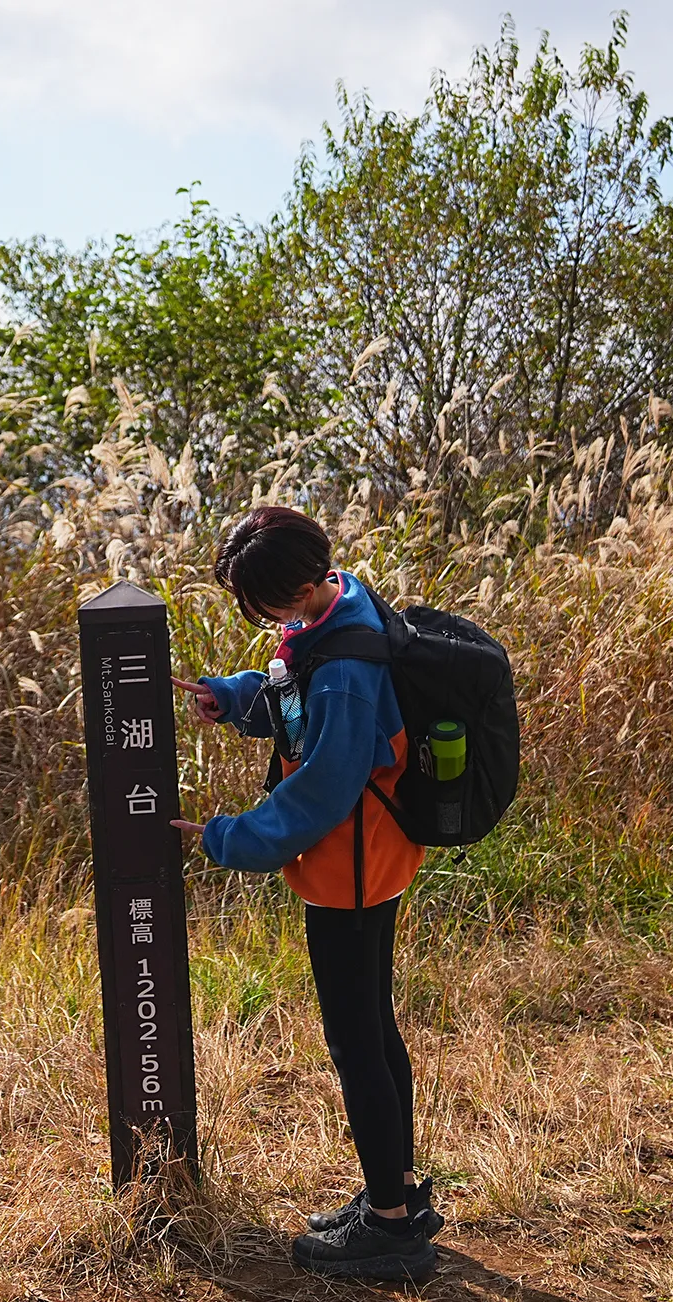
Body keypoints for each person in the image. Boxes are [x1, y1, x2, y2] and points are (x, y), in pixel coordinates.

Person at [170, 505, 442, 1282]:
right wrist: (235, 697)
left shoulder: (350, 665)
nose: (264, 620)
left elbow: (323, 784)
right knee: (373, 1028)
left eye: (264, 606)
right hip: (365, 859)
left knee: (355, 1039)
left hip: (347, 869)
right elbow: (297, 699)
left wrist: (227, 836)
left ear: (295, 585)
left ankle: (390, 1231)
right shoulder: (333, 610)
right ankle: (396, 1195)